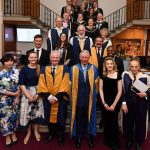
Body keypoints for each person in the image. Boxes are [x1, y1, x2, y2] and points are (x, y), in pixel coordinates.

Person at [38, 51, 70, 146]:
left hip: (61, 98)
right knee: (49, 117)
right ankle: (51, 133)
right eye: (53, 57)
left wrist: (56, 98)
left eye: (56, 58)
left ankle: (60, 135)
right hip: (48, 98)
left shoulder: (65, 68)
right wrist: (49, 96)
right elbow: (41, 84)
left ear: (59, 58)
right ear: (50, 57)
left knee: (61, 117)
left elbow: (65, 85)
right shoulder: (44, 69)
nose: (54, 59)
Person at [70, 50, 99, 148]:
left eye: (86, 57)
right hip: (77, 99)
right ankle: (78, 137)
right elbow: (70, 85)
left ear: (89, 57)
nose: (84, 59)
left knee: (89, 118)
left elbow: (96, 85)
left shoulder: (93, 68)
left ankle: (89, 136)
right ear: (79, 58)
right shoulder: (73, 68)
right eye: (82, 57)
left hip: (90, 99)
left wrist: (95, 97)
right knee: (79, 118)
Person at [122, 57, 150, 150]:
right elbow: (122, 90)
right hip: (128, 104)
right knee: (128, 123)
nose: (134, 69)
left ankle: (139, 142)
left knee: (140, 124)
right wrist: (124, 103)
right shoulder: (125, 75)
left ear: (139, 67)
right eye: (132, 67)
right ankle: (129, 141)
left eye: (136, 67)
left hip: (141, 104)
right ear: (129, 67)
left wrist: (145, 94)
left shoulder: (145, 77)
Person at [19, 51, 44, 144]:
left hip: (38, 93)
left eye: (35, 57)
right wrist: (28, 95)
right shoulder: (24, 69)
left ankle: (36, 131)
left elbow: (43, 83)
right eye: (31, 57)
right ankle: (28, 132)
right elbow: (21, 84)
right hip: (26, 94)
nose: (33, 59)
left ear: (37, 58)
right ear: (28, 58)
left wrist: (38, 95)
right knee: (28, 114)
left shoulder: (40, 68)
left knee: (36, 114)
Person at [99, 57, 122, 150]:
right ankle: (107, 139)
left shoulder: (118, 75)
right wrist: (104, 103)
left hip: (115, 102)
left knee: (113, 122)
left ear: (114, 65)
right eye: (107, 64)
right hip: (105, 101)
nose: (109, 65)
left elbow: (120, 91)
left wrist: (114, 105)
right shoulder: (102, 75)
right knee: (107, 121)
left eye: (111, 64)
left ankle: (114, 141)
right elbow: (100, 89)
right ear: (105, 65)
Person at [0, 54, 20, 147]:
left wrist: (17, 97)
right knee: (5, 118)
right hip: (4, 100)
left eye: (11, 61)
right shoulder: (0, 74)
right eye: (7, 61)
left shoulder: (17, 72)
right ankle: (7, 136)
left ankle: (13, 133)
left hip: (15, 99)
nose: (9, 63)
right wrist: (13, 94)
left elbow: (21, 85)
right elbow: (0, 89)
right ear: (3, 63)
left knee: (14, 117)